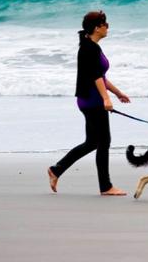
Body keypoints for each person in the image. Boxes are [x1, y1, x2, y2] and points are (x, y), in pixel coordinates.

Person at [48, 10, 130, 196]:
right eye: (105, 24)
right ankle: (106, 186)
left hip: (89, 100)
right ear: (97, 28)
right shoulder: (89, 48)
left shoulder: (91, 46)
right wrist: (106, 99)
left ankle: (56, 170)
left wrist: (117, 93)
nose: (107, 27)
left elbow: (101, 76)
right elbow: (95, 77)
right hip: (92, 101)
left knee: (93, 142)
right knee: (103, 141)